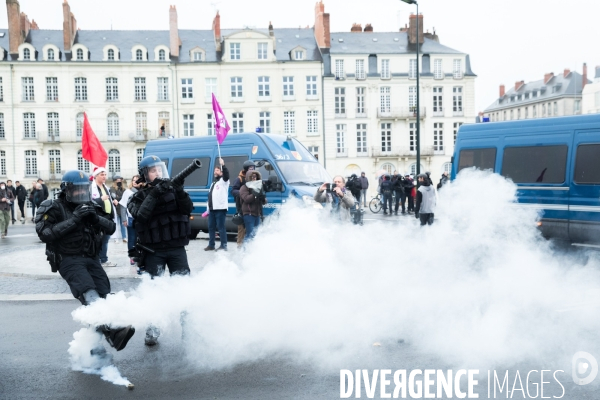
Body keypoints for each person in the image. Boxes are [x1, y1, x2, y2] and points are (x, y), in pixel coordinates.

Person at [35, 170, 135, 352]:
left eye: (84, 190)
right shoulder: (53, 206)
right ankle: (113, 331)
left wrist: (95, 218)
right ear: (66, 190)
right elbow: (45, 234)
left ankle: (93, 348)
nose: (81, 194)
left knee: (105, 295)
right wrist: (75, 219)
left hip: (91, 258)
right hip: (68, 259)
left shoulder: (91, 206)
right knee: (89, 293)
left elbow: (112, 228)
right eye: (76, 191)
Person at [127, 155, 193, 346]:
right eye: (153, 170)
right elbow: (140, 216)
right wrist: (154, 194)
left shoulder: (173, 190)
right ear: (145, 175)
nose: (158, 173)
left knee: (184, 290)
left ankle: (188, 330)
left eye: (160, 169)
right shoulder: (137, 196)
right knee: (154, 292)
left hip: (176, 249)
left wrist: (179, 190)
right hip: (153, 251)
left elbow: (187, 208)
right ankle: (153, 330)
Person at [90, 167, 118, 268]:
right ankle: (99, 259)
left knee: (105, 239)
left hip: (108, 217)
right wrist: (100, 199)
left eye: (105, 174)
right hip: (98, 217)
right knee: (98, 239)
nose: (104, 177)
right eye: (102, 175)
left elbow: (109, 199)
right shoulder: (91, 187)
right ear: (96, 176)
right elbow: (89, 202)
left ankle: (103, 259)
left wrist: (113, 202)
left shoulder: (105, 187)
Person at [205, 158, 229, 251]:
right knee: (211, 227)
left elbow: (226, 175)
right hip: (212, 209)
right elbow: (210, 196)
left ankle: (224, 245)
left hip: (220, 209)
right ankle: (211, 244)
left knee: (221, 227)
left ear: (221, 172)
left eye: (218, 170)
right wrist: (208, 208)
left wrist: (223, 165)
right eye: (215, 170)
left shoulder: (224, 181)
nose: (215, 171)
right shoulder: (213, 183)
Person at [231, 160, 255, 248]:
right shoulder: (240, 178)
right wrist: (243, 193)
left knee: (251, 229)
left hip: (251, 207)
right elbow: (233, 191)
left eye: (253, 168)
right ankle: (240, 246)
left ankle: (250, 247)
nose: (252, 170)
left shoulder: (254, 178)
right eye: (250, 168)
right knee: (241, 228)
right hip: (241, 206)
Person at [239, 170, 267, 242]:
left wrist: (263, 198)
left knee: (256, 235)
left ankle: (252, 251)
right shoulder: (244, 187)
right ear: (249, 177)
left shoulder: (258, 187)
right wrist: (254, 194)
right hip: (249, 214)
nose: (254, 178)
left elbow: (264, 202)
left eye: (256, 177)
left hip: (257, 214)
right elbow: (246, 199)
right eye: (253, 176)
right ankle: (245, 251)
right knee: (250, 234)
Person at [119, 175, 141, 266]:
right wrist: (124, 219)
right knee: (132, 239)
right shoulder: (127, 192)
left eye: (137, 180)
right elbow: (123, 206)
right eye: (133, 180)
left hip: (142, 219)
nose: (135, 182)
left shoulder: (144, 190)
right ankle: (132, 257)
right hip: (131, 218)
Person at [109, 176, 127, 243]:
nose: (119, 181)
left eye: (120, 180)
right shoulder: (112, 189)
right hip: (115, 208)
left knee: (123, 224)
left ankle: (124, 237)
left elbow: (124, 197)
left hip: (121, 208)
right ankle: (115, 238)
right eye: (117, 180)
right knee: (115, 224)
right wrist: (117, 199)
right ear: (115, 181)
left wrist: (118, 198)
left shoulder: (123, 189)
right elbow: (113, 196)